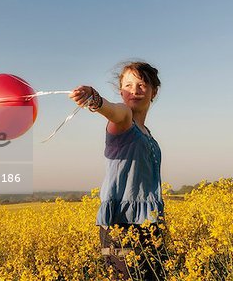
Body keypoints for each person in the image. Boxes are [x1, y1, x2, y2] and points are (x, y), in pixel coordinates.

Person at [69, 61, 166, 280]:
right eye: (128, 85)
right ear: (121, 91)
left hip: (149, 224)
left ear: (154, 91)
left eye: (142, 85)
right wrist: (94, 99)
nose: (134, 90)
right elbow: (111, 110)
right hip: (120, 225)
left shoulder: (147, 133)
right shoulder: (124, 119)